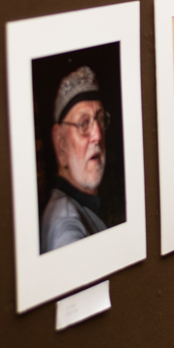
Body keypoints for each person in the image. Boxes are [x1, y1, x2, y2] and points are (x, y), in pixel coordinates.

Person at [41, 66, 111, 253]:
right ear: (61, 142)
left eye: (100, 119)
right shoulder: (66, 225)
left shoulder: (80, 208)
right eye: (83, 123)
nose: (97, 135)